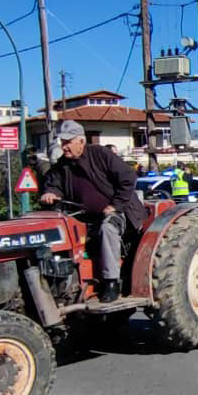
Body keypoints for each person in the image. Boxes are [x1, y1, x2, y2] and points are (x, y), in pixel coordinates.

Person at [39, 120, 146, 301]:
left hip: (119, 212)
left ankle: (111, 281)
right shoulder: (62, 165)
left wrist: (115, 205)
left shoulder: (100, 154)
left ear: (80, 141)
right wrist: (50, 193)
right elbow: (53, 184)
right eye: (62, 143)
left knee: (108, 229)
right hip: (82, 217)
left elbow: (128, 177)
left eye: (67, 142)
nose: (64, 147)